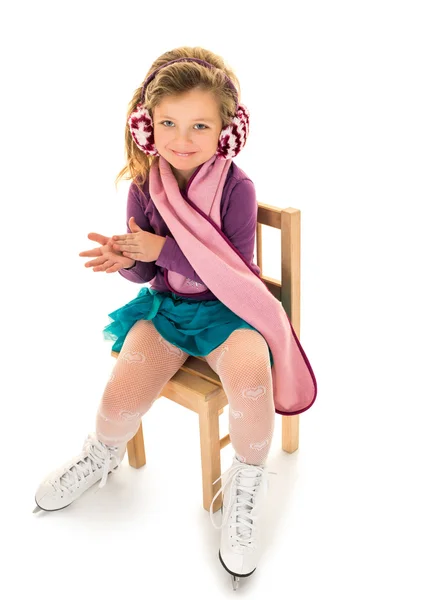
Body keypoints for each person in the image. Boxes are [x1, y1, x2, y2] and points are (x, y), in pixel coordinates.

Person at [33, 46, 317, 587]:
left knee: (251, 378)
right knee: (121, 393)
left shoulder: (238, 189)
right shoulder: (146, 186)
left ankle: (248, 483)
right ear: (147, 125)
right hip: (168, 310)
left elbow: (228, 273)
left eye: (199, 126)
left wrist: (156, 249)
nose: (181, 139)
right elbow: (147, 275)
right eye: (168, 123)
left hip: (232, 310)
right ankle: (102, 454)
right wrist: (128, 261)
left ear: (224, 132)